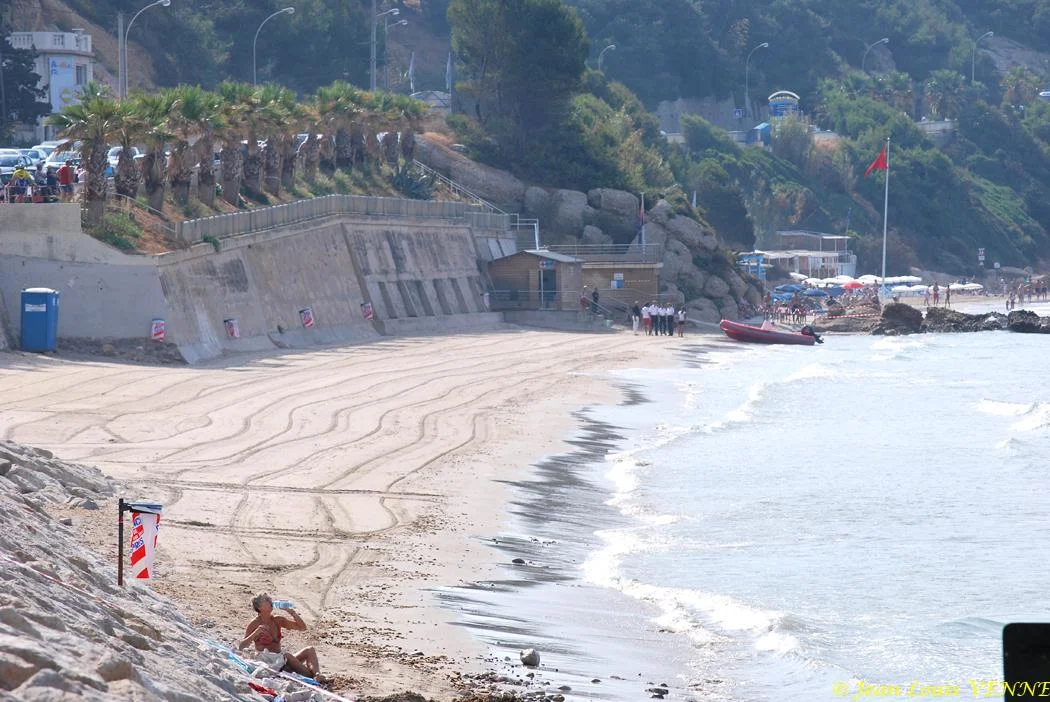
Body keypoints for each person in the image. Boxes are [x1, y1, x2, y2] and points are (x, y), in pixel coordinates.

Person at [240, 593, 322, 680]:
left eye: (269, 599)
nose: (270, 601)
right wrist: (256, 632)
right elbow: (241, 646)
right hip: (268, 661)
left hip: (282, 660)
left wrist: (292, 612)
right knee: (287, 656)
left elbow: (302, 628)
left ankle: (317, 674)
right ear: (259, 607)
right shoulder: (255, 624)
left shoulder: (277, 620)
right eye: (266, 600)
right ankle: (312, 676)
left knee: (309, 650)